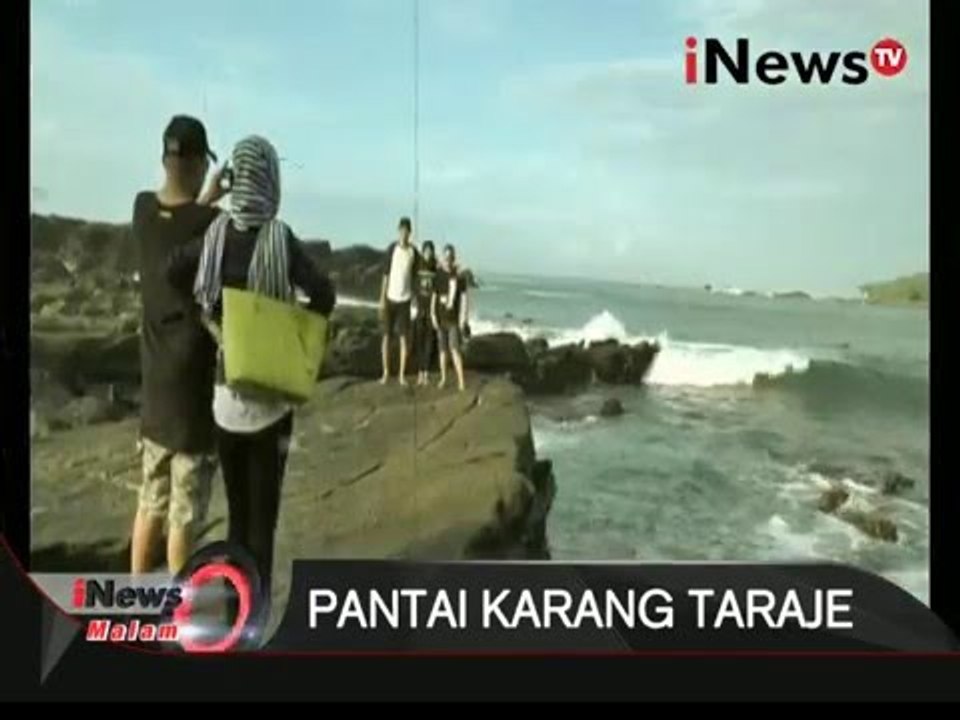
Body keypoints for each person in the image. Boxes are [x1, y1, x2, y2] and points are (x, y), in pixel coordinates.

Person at [168, 135, 336, 605]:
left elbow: (173, 271)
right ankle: (252, 617)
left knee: (238, 517)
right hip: (272, 404)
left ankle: (231, 603)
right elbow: (325, 294)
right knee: (265, 522)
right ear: (271, 180)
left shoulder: (216, 237)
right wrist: (289, 329)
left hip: (225, 401)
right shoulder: (280, 239)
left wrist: (210, 319)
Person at [130, 115, 230, 576]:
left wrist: (207, 196)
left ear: (165, 157)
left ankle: (132, 602)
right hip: (190, 389)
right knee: (184, 516)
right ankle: (182, 624)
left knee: (150, 500)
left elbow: (179, 222)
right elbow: (199, 229)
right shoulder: (212, 223)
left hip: (155, 387)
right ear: (194, 162)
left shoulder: (142, 210)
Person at [379, 217, 421, 387]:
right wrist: (381, 298)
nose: (404, 233)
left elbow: (418, 276)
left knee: (404, 338)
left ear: (410, 233)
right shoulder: (392, 249)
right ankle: (386, 372)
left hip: (405, 300)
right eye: (401, 230)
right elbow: (385, 275)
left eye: (407, 231)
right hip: (390, 298)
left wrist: (415, 300)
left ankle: (402, 375)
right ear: (398, 231)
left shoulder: (413, 252)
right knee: (386, 336)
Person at [432, 244, 469, 392]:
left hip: (453, 320)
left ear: (453, 258)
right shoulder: (438, 275)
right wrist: (432, 315)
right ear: (443, 258)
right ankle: (443, 378)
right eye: (446, 257)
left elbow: (465, 299)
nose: (448, 259)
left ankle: (461, 381)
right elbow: (434, 297)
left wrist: (464, 318)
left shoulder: (459, 277)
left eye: (450, 257)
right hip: (440, 318)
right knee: (442, 350)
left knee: (454, 349)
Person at [413, 240, 439, 387]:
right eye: (426, 250)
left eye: (430, 251)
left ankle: (426, 373)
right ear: (423, 252)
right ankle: (420, 372)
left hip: (432, 310)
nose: (428, 253)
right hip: (419, 309)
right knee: (419, 341)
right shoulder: (418, 265)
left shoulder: (435, 268)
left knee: (429, 342)